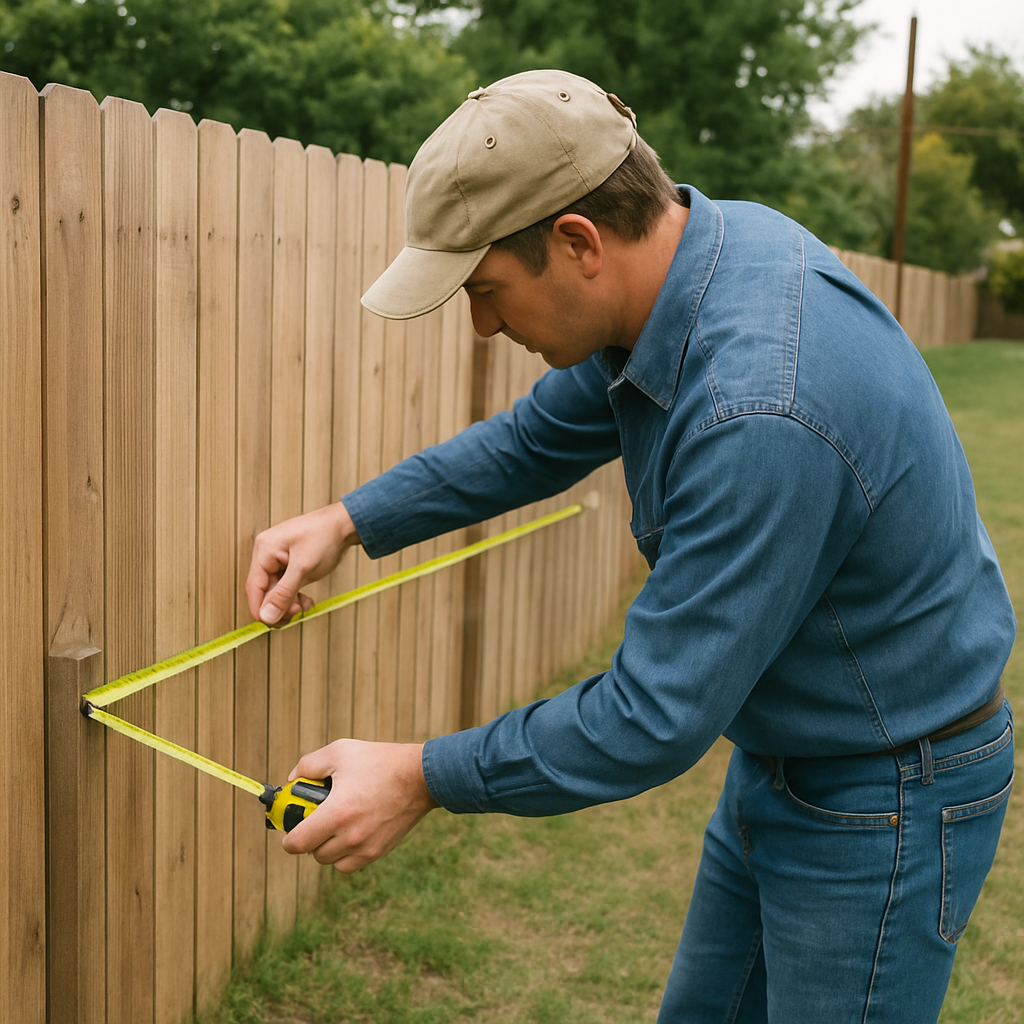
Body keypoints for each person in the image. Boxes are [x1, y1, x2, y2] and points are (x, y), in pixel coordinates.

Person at [245, 69, 1016, 1022]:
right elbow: (538, 438)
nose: (482, 325)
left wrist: (419, 776)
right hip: (794, 755)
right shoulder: (700, 258)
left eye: (487, 290)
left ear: (578, 242)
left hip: (887, 794)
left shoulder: (759, 407)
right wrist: (351, 520)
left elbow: (652, 716)